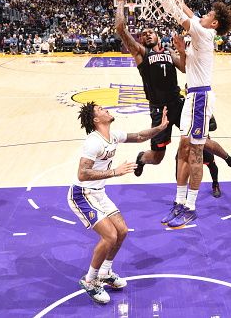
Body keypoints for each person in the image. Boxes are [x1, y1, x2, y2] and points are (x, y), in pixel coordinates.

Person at [114, 0, 231, 197]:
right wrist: (120, 2)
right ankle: (142, 158)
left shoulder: (169, 53)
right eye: (143, 34)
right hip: (159, 109)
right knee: (158, 157)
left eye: (150, 32)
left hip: (178, 103)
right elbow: (120, 28)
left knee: (203, 139)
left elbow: (186, 68)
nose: (146, 35)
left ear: (158, 36)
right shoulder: (141, 53)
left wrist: (180, 51)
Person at [145, 0, 231, 228]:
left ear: (214, 23)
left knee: (195, 152)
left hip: (201, 98)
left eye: (208, 15)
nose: (203, 15)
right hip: (191, 97)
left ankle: (191, 207)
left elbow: (177, 12)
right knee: (183, 150)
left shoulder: (205, 33)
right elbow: (185, 9)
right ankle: (179, 201)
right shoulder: (201, 31)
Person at [69, 101, 168, 304]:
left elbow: (139, 136)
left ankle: (104, 272)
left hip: (98, 193)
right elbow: (83, 173)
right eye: (100, 109)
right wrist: (115, 172)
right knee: (110, 236)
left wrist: (159, 129)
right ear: (96, 120)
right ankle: (89, 280)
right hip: (82, 194)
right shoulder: (93, 142)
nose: (105, 109)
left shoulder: (112, 136)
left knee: (122, 231)